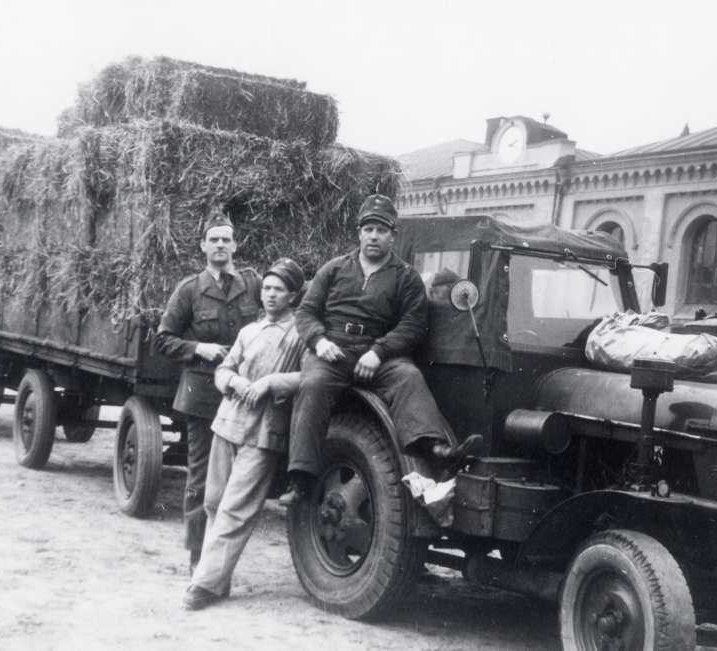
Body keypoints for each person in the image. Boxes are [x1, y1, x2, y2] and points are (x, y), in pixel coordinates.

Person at [279, 194, 482, 504]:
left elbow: (413, 325)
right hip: (333, 350)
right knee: (313, 384)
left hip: (378, 354)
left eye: (382, 230)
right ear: (359, 232)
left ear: (393, 236)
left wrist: (379, 352)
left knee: (409, 378)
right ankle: (301, 478)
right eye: (368, 229)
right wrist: (320, 341)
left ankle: (435, 450)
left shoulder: (407, 277)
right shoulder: (333, 270)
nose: (374, 236)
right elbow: (305, 313)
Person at [183, 258, 306, 611]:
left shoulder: (300, 334)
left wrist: (270, 383)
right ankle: (214, 578)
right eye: (266, 288)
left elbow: (310, 377)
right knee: (212, 501)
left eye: (278, 290)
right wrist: (233, 380)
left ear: (293, 296)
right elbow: (223, 368)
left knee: (235, 509)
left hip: (264, 431)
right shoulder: (248, 331)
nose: (269, 295)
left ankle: (205, 585)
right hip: (227, 423)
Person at [155, 211, 262, 571]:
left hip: (244, 396)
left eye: (226, 239)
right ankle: (197, 555)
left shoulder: (253, 284)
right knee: (200, 478)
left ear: (235, 245)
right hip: (203, 398)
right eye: (213, 239)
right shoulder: (189, 290)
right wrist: (197, 349)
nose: (220, 245)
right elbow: (163, 340)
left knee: (242, 478)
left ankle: (225, 558)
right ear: (203, 246)